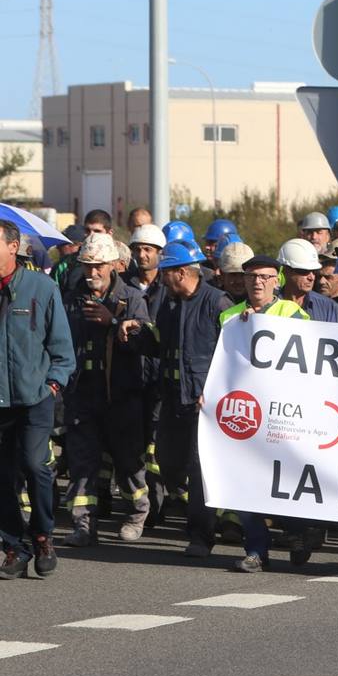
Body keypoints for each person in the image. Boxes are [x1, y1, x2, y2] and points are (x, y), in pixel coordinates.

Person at [122, 240, 231, 558]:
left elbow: (236, 354)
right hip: (171, 401)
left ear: (181, 272)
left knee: (199, 470)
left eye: (165, 272)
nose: (160, 278)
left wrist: (217, 394)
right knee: (169, 465)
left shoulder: (217, 303)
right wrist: (134, 333)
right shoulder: (168, 304)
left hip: (205, 406)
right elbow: (159, 343)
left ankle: (201, 535)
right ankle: (199, 513)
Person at [218, 255, 311, 572]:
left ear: (277, 281)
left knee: (282, 482)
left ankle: (297, 533)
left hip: (282, 413)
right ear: (243, 281)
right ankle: (256, 550)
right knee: (245, 484)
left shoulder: (291, 312)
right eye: (252, 276)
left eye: (265, 276)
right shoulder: (230, 316)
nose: (258, 282)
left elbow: (306, 357)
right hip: (244, 412)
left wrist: (262, 326)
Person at [59, 233, 151, 547]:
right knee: (82, 464)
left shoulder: (131, 298)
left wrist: (114, 322)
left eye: (98, 266)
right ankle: (84, 526)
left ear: (113, 265)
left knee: (127, 463)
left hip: (121, 396)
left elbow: (145, 343)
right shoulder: (71, 297)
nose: (92, 273)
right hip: (82, 394)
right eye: (87, 266)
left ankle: (137, 513)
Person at [0, 220, 75, 580]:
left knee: (34, 465)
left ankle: (43, 535)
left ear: (13, 247)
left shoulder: (41, 287)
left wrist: (53, 386)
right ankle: (15, 546)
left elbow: (62, 349)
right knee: (1, 478)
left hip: (34, 399)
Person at [277, 239, 338, 323]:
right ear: (285, 270)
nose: (311, 277)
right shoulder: (268, 303)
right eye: (304, 271)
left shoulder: (329, 308)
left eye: (314, 271)